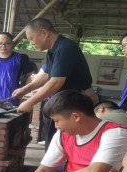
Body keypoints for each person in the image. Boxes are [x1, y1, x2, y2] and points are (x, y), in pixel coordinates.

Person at [12, 18, 97, 150]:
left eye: (31, 38)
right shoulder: (53, 50)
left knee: (66, 145)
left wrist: (30, 102)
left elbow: (56, 81)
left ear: (44, 33)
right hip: (64, 102)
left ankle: (59, 170)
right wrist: (25, 89)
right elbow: (47, 75)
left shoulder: (64, 48)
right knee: (54, 142)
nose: (31, 43)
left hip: (77, 103)